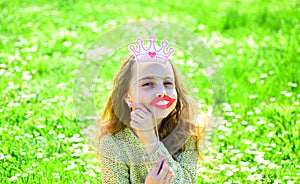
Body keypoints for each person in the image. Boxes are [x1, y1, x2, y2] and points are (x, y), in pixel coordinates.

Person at [96, 35, 207, 184]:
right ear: (127, 96)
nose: (162, 91)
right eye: (148, 84)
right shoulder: (113, 144)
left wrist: (151, 140)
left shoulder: (186, 133)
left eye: (168, 83)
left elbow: (186, 181)